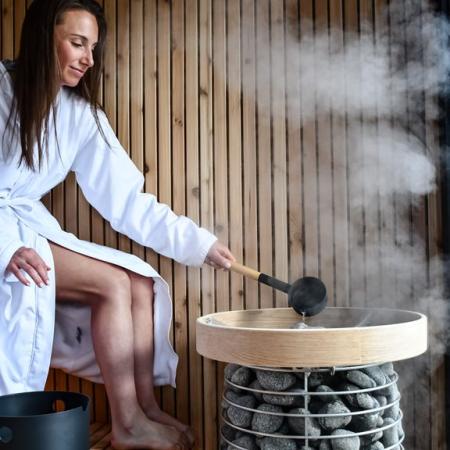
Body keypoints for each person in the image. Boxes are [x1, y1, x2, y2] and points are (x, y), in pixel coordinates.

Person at [0, 1, 234, 449]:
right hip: (7, 237)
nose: (88, 57)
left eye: (93, 46)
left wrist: (199, 244)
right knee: (111, 285)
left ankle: (144, 410)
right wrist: (6, 246)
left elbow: (127, 200)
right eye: (77, 43)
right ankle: (127, 424)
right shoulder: (2, 90)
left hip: (28, 227)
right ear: (41, 37)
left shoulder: (80, 116)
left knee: (139, 282)